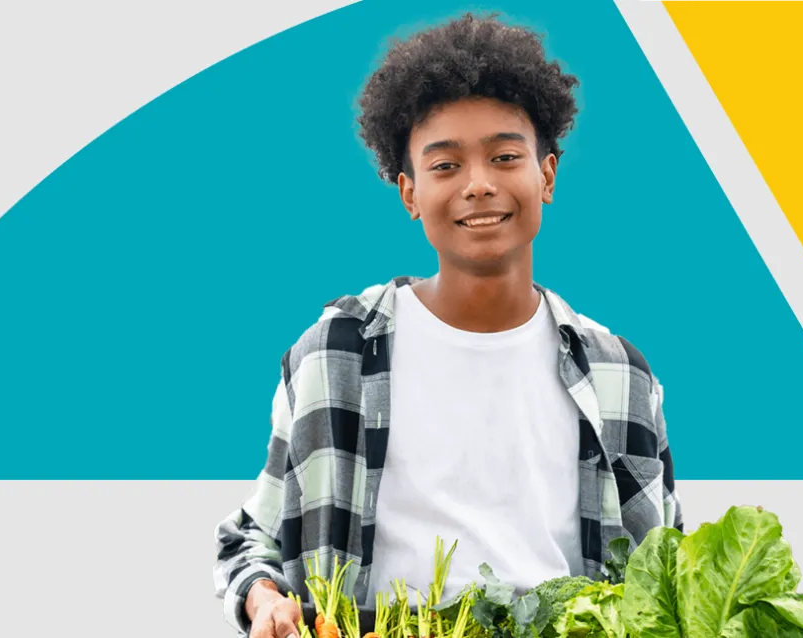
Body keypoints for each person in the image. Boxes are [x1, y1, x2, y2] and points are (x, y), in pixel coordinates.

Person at [214, 13, 682, 638]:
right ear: (409, 193)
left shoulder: (618, 373)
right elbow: (252, 541)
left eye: (505, 156)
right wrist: (263, 600)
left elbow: (669, 573)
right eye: (445, 166)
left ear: (546, 174)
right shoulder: (335, 355)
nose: (479, 185)